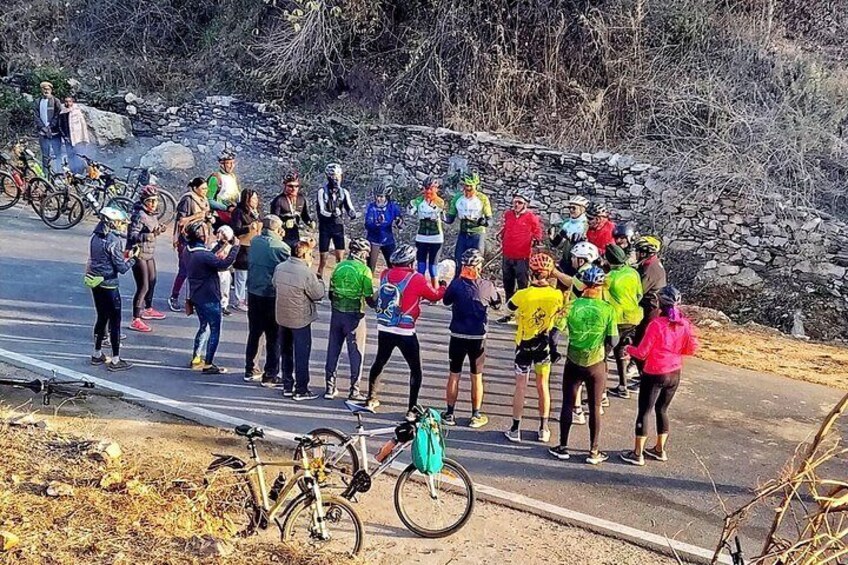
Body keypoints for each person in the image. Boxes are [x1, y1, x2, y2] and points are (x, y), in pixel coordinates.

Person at [365, 244, 447, 418]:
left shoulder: (385, 275)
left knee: (380, 361)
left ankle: (371, 398)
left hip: (385, 327)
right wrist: (442, 287)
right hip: (405, 331)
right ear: (411, 262)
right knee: (415, 370)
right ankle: (411, 409)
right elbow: (434, 296)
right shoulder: (416, 278)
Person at [620, 286, 699, 466]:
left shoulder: (656, 325)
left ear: (659, 304)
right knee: (662, 410)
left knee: (644, 411)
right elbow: (691, 348)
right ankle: (659, 449)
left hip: (655, 372)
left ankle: (637, 453)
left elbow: (642, 353)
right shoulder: (685, 324)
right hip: (674, 372)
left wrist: (628, 349)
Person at [548, 266, 618, 465]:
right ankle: (593, 451)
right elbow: (613, 339)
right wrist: (604, 353)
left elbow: (553, 334)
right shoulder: (607, 309)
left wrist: (554, 353)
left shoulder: (571, 306)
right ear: (601, 286)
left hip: (573, 360)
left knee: (568, 403)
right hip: (596, 362)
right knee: (595, 407)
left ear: (583, 286)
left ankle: (562, 446)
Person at [503, 252, 563, 444]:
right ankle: (543, 428)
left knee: (521, 386)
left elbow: (508, 308)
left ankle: (515, 428)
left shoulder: (523, 294)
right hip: (544, 347)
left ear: (532, 272)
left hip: (523, 345)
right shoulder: (556, 295)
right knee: (542, 386)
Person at [442, 249, 502, 428]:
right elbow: (497, 305)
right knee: (477, 377)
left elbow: (446, 301)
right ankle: (475, 414)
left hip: (457, 335)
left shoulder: (456, 284)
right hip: (477, 336)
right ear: (479, 266)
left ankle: (450, 413)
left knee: (454, 375)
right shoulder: (487, 285)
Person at [86, 207, 138, 372]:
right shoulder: (113, 241)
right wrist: (133, 259)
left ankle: (96, 353)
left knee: (101, 317)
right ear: (112, 223)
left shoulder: (94, 237)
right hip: (110, 284)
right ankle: (116, 359)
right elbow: (121, 268)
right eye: (120, 222)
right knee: (115, 321)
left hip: (95, 283)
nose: (122, 225)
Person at [325, 238, 376, 401]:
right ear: (362, 253)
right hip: (355, 315)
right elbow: (369, 299)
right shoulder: (364, 270)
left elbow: (331, 294)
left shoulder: (339, 266)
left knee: (333, 350)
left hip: (337, 313)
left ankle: (330, 388)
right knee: (356, 353)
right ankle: (354, 391)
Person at [185, 221, 240, 374]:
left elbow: (210, 256)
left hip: (196, 294)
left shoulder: (189, 251)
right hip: (208, 296)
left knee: (204, 326)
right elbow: (223, 264)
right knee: (214, 329)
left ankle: (196, 357)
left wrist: (220, 246)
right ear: (201, 236)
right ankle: (208, 363)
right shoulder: (202, 255)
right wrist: (235, 247)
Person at [273, 240, 324, 400]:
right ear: (305, 255)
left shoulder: (280, 267)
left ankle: (287, 385)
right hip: (300, 319)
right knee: (302, 354)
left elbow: (274, 284)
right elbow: (318, 295)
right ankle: (301, 389)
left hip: (282, 316)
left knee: (286, 351)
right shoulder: (306, 273)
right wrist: (320, 281)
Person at [245, 214, 291, 385]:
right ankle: (270, 374)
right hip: (271, 295)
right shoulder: (281, 247)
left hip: (253, 292)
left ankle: (250, 369)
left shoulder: (255, 241)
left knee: (255, 333)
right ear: (278, 229)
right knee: (274, 336)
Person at [604, 244, 643, 399]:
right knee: (620, 351)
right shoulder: (633, 273)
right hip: (633, 318)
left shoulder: (609, 278)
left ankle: (600, 392)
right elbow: (639, 294)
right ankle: (623, 386)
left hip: (617, 320)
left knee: (603, 355)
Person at [497, 190, 542, 324]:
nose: (516, 204)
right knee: (508, 285)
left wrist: (535, 240)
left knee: (523, 286)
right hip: (507, 254)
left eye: (519, 202)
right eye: (515, 202)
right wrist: (501, 234)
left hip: (522, 256)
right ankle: (508, 313)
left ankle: (522, 313)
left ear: (525, 204)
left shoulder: (531, 217)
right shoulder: (508, 214)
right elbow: (506, 227)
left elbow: (538, 233)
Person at [127, 185, 168, 333]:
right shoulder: (139, 215)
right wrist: (149, 235)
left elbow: (152, 230)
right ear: (144, 201)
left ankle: (148, 309)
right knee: (143, 286)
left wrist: (158, 230)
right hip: (139, 253)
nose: (153, 204)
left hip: (149, 252)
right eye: (150, 201)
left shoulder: (152, 214)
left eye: (155, 201)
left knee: (152, 280)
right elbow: (132, 235)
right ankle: (136, 319)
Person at [169, 177, 213, 312]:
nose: (205, 191)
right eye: (202, 188)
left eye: (206, 189)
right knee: (184, 270)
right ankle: (174, 297)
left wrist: (208, 218)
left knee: (198, 271)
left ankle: (194, 299)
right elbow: (181, 221)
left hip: (201, 238)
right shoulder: (188, 199)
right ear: (194, 188)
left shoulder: (204, 200)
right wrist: (198, 216)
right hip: (186, 239)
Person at [630, 236, 667, 379]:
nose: (636, 254)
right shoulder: (650, 264)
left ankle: (642, 375)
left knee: (641, 341)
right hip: (649, 308)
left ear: (645, 252)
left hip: (650, 310)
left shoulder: (650, 270)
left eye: (638, 251)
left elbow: (638, 291)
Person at [446, 171, 492, 276]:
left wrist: (484, 222)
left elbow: (490, 220)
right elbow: (450, 219)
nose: (467, 188)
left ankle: (476, 285)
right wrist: (441, 216)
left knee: (476, 263)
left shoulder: (483, 198)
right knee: (458, 261)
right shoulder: (457, 198)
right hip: (463, 234)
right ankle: (457, 284)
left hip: (477, 234)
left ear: (476, 186)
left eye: (470, 186)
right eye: (466, 186)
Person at [316, 163, 357, 280]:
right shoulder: (322, 191)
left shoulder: (344, 192)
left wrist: (352, 213)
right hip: (325, 227)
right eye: (334, 177)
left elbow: (350, 206)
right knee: (323, 258)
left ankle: (339, 279)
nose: (336, 179)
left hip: (338, 227)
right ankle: (319, 278)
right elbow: (321, 210)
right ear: (328, 177)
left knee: (340, 258)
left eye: (338, 176)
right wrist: (332, 214)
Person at [408, 176, 446, 287]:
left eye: (431, 189)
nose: (428, 191)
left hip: (436, 238)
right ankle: (420, 291)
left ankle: (435, 292)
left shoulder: (440, 202)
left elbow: (441, 212)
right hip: (421, 237)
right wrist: (411, 206)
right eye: (426, 188)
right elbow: (410, 212)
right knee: (421, 267)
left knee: (433, 267)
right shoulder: (419, 201)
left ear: (436, 189)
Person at [230, 189, 263, 312]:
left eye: (256, 198)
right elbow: (235, 230)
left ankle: (250, 299)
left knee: (251, 276)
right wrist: (248, 228)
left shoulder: (256, 212)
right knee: (241, 275)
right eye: (253, 199)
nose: (256, 201)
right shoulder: (238, 212)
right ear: (246, 200)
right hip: (243, 247)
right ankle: (239, 300)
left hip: (255, 247)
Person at [364, 185, 403, 273]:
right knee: (370, 267)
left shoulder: (392, 207)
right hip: (374, 239)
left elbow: (400, 220)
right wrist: (377, 222)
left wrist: (399, 222)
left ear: (386, 197)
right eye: (377, 196)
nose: (378, 199)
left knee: (393, 265)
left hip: (388, 239)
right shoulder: (372, 207)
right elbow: (367, 225)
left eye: (381, 196)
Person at [270, 170, 313, 250]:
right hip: (281, 237)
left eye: (296, 186)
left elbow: (304, 215)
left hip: (295, 235)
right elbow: (272, 222)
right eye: (290, 186)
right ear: (284, 186)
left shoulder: (301, 199)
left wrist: (309, 222)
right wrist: (283, 224)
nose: (294, 189)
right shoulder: (278, 201)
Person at [33, 81, 63, 174]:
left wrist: (50, 126)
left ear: (51, 90)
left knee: (58, 153)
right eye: (44, 89)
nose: (46, 91)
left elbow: (58, 115)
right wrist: (43, 127)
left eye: (48, 89)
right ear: (41, 90)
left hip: (55, 132)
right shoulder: (37, 101)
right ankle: (46, 175)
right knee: (45, 155)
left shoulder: (55, 101)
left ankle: (59, 173)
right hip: (43, 132)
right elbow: (36, 116)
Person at [207, 150, 240, 227]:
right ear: (222, 164)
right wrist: (226, 208)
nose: (231, 166)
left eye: (233, 163)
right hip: (219, 214)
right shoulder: (215, 178)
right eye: (229, 163)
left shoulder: (232, 176)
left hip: (233, 211)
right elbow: (209, 200)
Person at [57, 95, 89, 174]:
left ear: (72, 102)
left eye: (69, 101)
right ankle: (73, 172)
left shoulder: (77, 111)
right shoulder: (62, 113)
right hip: (68, 138)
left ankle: (81, 172)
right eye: (66, 101)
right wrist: (65, 137)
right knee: (70, 155)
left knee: (79, 154)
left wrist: (84, 137)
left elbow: (82, 124)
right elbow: (60, 126)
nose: (68, 103)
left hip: (77, 138)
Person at [215, 226, 236, 316]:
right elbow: (214, 254)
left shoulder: (230, 246)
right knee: (215, 289)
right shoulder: (215, 245)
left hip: (226, 271)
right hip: (216, 270)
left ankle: (224, 306)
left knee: (225, 289)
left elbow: (232, 258)